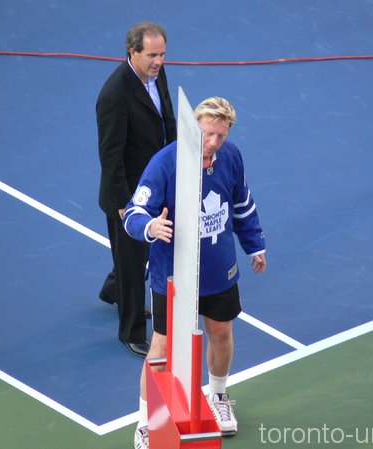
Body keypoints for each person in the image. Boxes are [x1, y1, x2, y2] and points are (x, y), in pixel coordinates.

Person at [123, 97, 266, 448]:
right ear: (194, 127)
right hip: (172, 274)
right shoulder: (165, 163)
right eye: (207, 134)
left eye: (220, 135)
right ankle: (146, 421)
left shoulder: (230, 156)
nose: (213, 143)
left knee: (221, 331)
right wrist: (151, 227)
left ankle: (217, 395)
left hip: (218, 269)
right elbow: (133, 213)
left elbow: (243, 203)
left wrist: (255, 244)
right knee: (163, 347)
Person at [96, 22, 177, 357]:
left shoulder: (158, 75)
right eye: (152, 55)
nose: (159, 60)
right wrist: (123, 202)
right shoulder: (115, 95)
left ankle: (113, 290)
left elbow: (166, 120)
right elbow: (110, 155)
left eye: (162, 54)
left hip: (154, 181)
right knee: (133, 261)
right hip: (129, 192)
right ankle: (131, 331)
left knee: (137, 253)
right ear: (133, 52)